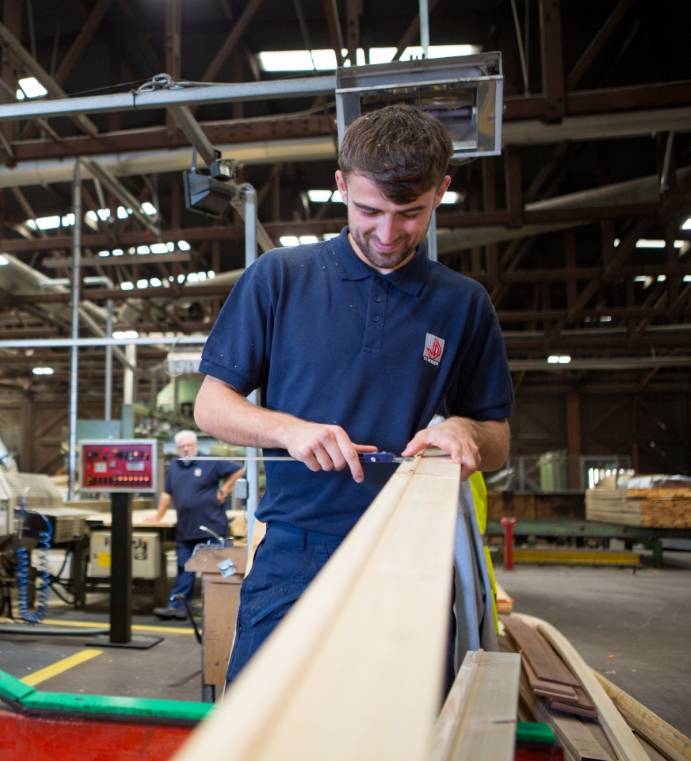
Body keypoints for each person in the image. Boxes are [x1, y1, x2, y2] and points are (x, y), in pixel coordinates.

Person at [194, 104, 513, 680]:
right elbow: (211, 405)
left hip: (410, 550)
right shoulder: (278, 277)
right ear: (340, 185)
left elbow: (497, 441)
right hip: (296, 547)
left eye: (410, 213)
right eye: (369, 210)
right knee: (265, 719)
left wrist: (465, 430)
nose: (387, 233)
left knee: (398, 727)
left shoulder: (463, 304)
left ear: (441, 191)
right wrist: (289, 430)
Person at [147, 429, 244, 620]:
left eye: (189, 446)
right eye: (181, 447)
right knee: (185, 568)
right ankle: (178, 606)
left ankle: (227, 605)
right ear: (177, 449)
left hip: (211, 527)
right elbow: (167, 494)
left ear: (196, 446)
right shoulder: (174, 467)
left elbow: (239, 469)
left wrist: (224, 490)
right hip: (185, 529)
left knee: (221, 566)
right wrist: (158, 516)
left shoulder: (210, 462)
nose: (185, 450)